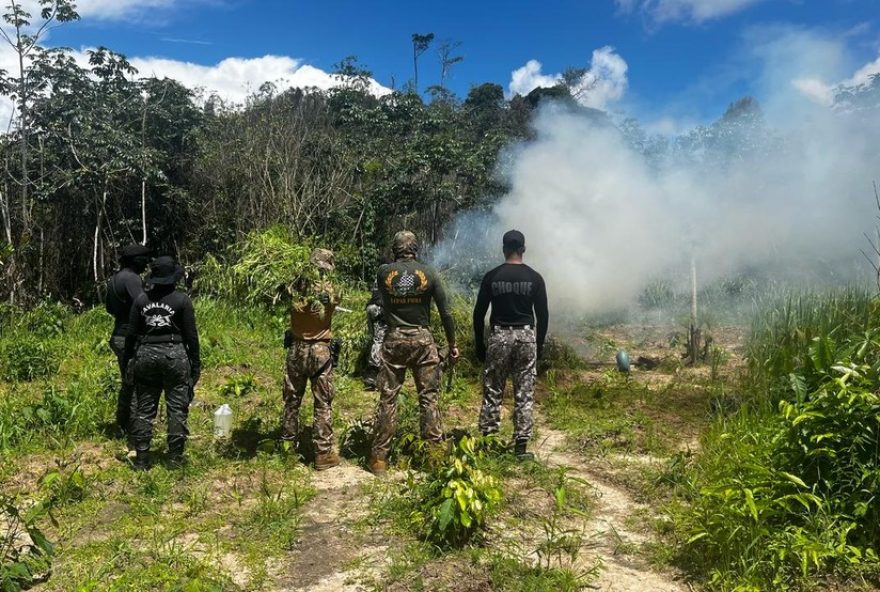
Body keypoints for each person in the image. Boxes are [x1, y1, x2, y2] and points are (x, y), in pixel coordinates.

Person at [368, 231, 459, 475]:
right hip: (422, 340)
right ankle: (434, 457)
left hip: (393, 338)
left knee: (388, 398)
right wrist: (452, 344)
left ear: (394, 249)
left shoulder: (383, 273)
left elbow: (380, 302)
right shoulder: (429, 273)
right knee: (428, 397)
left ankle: (379, 459)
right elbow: (446, 312)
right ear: (415, 249)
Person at [473, 230, 548, 461]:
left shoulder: (492, 277)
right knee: (524, 392)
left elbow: (479, 314)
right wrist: (540, 343)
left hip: (499, 336)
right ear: (523, 249)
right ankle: (521, 447)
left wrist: (479, 343)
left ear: (504, 249)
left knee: (493, 388)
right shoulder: (535, 278)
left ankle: (488, 443)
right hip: (526, 337)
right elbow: (543, 315)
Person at [124, 256, 201, 470]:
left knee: (145, 408)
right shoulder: (182, 300)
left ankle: (142, 459)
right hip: (174, 355)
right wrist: (196, 365)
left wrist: (128, 361)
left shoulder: (141, 300)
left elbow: (131, 335)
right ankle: (175, 459)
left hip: (146, 355)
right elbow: (191, 336)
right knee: (177, 408)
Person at [282, 248, 342, 471]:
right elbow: (333, 303)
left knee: (292, 400)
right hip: (319, 351)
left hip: (296, 349)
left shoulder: (294, 287)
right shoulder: (332, 290)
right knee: (323, 403)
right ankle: (323, 453)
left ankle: (288, 448)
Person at [105, 243, 152, 441]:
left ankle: (122, 423)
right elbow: (145, 306)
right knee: (137, 385)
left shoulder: (114, 279)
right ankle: (135, 432)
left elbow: (109, 308)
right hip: (130, 338)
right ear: (136, 261)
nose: (147, 265)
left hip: (118, 334)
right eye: (144, 261)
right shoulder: (132, 279)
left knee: (127, 381)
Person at [363, 281, 386, 390]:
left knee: (375, 338)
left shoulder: (379, 274)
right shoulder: (392, 273)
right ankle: (372, 374)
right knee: (379, 341)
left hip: (372, 307)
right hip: (380, 309)